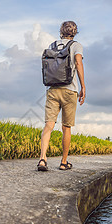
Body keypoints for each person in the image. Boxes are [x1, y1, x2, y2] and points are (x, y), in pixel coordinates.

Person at [37, 21, 86, 171]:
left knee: (48, 125)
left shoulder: (52, 45)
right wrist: (83, 86)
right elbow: (78, 63)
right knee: (66, 127)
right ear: (75, 32)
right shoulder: (76, 46)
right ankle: (64, 162)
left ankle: (42, 159)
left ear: (61, 31)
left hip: (52, 89)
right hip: (69, 90)